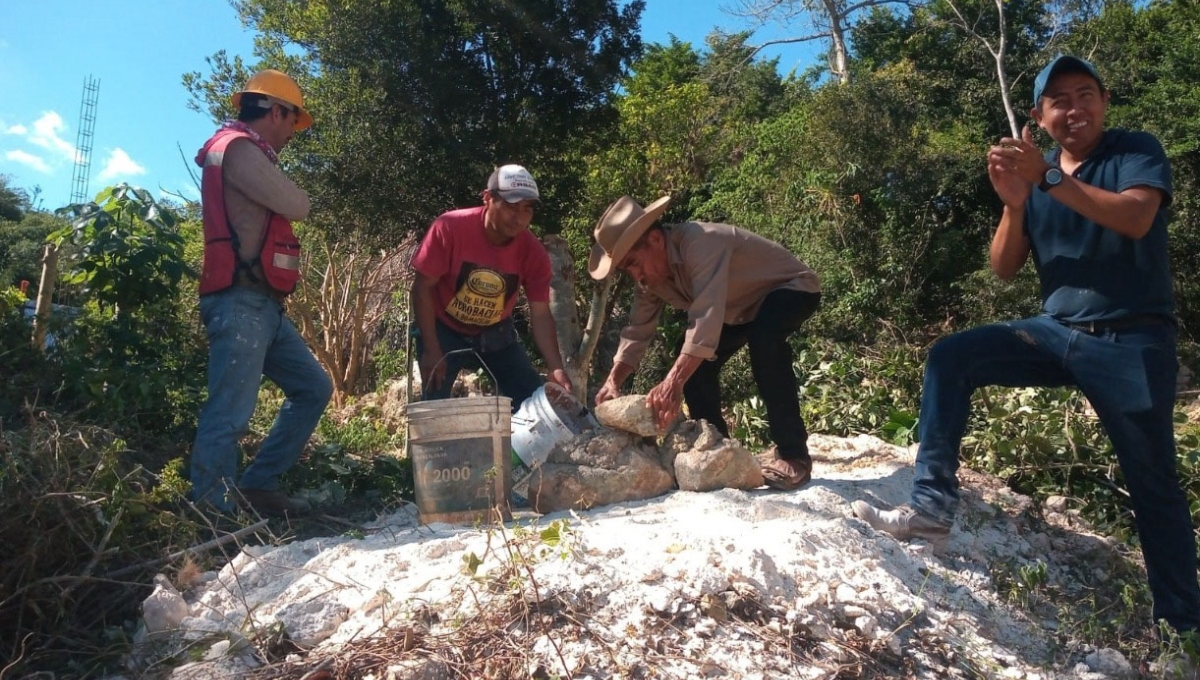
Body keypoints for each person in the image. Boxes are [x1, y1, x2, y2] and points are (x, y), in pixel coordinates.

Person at [852, 56, 1200, 634]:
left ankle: (1183, 628)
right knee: (951, 356)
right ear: (1039, 117)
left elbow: (1136, 218)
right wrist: (1016, 203)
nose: (1074, 108)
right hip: (1056, 332)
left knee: (1153, 483)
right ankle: (931, 508)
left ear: (1104, 101)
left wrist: (1048, 179)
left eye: (1085, 94)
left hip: (1131, 339)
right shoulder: (1038, 180)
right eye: (1058, 100)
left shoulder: (1133, 150)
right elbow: (1004, 267)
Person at [590, 195, 822, 489]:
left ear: (655, 241)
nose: (636, 275)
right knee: (693, 368)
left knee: (765, 341)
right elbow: (638, 329)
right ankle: (719, 453)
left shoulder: (701, 242)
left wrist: (672, 381)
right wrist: (613, 380)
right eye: (627, 269)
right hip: (737, 310)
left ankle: (794, 456)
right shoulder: (650, 279)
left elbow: (705, 320)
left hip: (790, 288)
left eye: (634, 263)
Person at [190, 69, 332, 517]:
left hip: (262, 305)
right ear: (276, 111)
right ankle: (212, 516)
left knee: (312, 388)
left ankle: (258, 487)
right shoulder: (237, 150)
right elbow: (300, 205)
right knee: (229, 415)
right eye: (293, 120)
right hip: (240, 303)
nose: (294, 131)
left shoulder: (247, 152)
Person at [410, 164, 571, 409]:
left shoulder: (533, 254)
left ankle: (517, 447)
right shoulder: (450, 228)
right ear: (488, 198)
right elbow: (422, 287)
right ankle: (432, 447)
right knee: (434, 408)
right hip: (442, 326)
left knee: (532, 403)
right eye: (510, 206)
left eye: (527, 209)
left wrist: (556, 367)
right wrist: (432, 349)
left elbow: (540, 313)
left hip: (495, 329)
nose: (518, 218)